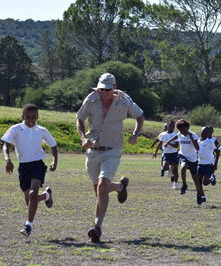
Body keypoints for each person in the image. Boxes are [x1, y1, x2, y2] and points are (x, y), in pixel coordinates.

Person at [76, 73, 144, 244]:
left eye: (107, 89)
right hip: (93, 149)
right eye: (101, 89)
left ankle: (97, 227)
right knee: (99, 190)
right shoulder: (91, 99)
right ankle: (120, 187)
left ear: (114, 87)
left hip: (113, 149)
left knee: (102, 185)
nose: (103, 92)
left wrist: (135, 134)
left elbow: (140, 116)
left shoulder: (125, 100)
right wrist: (83, 138)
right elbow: (79, 119)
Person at [1, 104, 58, 237]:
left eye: (34, 117)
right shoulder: (15, 129)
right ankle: (46, 196)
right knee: (30, 200)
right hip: (23, 167)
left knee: (33, 194)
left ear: (38, 116)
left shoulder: (42, 130)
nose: (32, 120)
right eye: (28, 117)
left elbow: (53, 145)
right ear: (23, 117)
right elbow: (6, 145)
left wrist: (55, 160)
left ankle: (28, 226)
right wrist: (7, 160)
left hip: (38, 164)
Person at [164, 120, 204, 203]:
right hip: (182, 155)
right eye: (180, 130)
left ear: (187, 128)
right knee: (183, 167)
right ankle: (184, 185)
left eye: (183, 130)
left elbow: (197, 148)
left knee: (195, 179)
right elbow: (176, 137)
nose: (182, 132)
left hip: (192, 159)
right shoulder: (179, 134)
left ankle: (199, 194)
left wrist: (191, 138)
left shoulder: (193, 135)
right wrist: (168, 141)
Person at [196, 127, 220, 203]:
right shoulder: (197, 141)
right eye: (203, 132)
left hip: (209, 164)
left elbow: (217, 152)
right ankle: (201, 196)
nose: (204, 133)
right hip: (200, 164)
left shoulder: (210, 142)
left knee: (205, 183)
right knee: (198, 182)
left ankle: (212, 178)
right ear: (201, 132)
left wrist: (215, 164)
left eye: (206, 132)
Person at [153, 120, 179, 187]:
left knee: (175, 170)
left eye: (173, 126)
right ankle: (170, 170)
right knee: (165, 167)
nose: (171, 127)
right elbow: (160, 143)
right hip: (166, 153)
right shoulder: (163, 134)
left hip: (174, 153)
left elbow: (176, 146)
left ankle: (175, 184)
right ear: (167, 126)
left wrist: (169, 143)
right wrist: (155, 152)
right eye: (170, 125)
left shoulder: (175, 135)